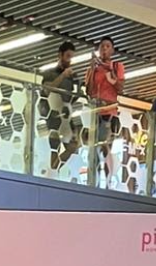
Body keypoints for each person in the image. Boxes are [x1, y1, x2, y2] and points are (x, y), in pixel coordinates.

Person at [85, 36, 125, 184]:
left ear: (112, 50)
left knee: (106, 146)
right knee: (94, 148)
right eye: (102, 46)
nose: (104, 49)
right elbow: (88, 91)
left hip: (110, 112)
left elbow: (120, 88)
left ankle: (107, 180)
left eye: (108, 46)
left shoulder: (117, 66)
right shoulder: (94, 69)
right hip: (96, 112)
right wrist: (91, 69)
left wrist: (111, 74)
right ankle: (94, 179)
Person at [39, 41, 82, 172]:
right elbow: (46, 90)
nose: (69, 60)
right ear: (60, 55)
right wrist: (63, 75)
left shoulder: (72, 79)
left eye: (71, 57)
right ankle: (52, 170)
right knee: (54, 148)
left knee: (73, 145)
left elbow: (70, 99)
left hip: (66, 117)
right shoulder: (49, 73)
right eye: (68, 56)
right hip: (52, 116)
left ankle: (54, 169)